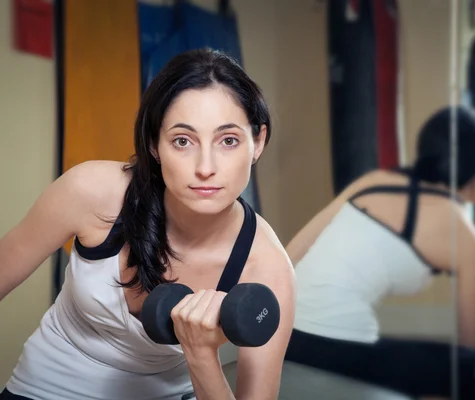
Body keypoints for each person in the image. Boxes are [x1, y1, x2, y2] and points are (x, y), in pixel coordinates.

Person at [0, 48, 295, 400]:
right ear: (155, 145)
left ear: (257, 142)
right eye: (183, 141)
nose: (205, 167)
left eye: (228, 141)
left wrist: (200, 354)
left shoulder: (267, 268)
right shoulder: (92, 192)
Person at [283, 106, 475, 400]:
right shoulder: (465, 237)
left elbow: (293, 252)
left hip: (290, 338)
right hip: (334, 350)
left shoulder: (374, 182)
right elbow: (473, 349)